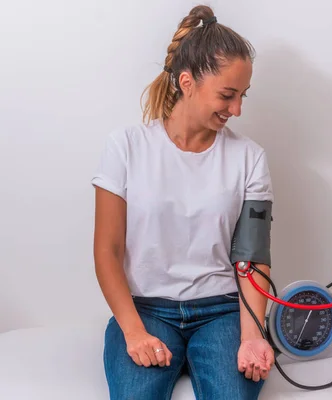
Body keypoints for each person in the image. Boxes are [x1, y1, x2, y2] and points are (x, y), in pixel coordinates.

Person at [91, 5, 275, 400]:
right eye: (227, 95)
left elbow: (253, 258)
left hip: (223, 312)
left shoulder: (250, 157)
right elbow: (107, 250)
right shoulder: (126, 147)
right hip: (148, 311)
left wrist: (252, 335)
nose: (237, 109)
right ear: (187, 81)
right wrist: (134, 331)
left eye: (242, 96)